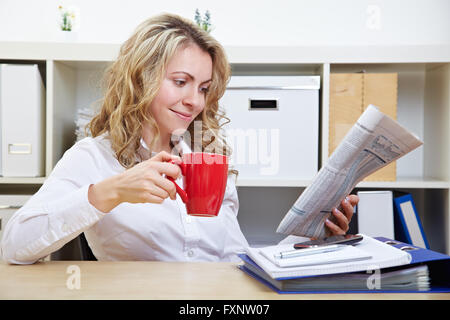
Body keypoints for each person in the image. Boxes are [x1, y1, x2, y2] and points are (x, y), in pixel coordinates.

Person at [0, 13, 357, 264]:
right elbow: (14, 245)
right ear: (140, 79)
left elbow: (235, 258)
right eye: (181, 82)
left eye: (203, 88)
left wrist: (312, 239)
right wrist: (109, 192)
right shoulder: (93, 157)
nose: (195, 101)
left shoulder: (207, 155)